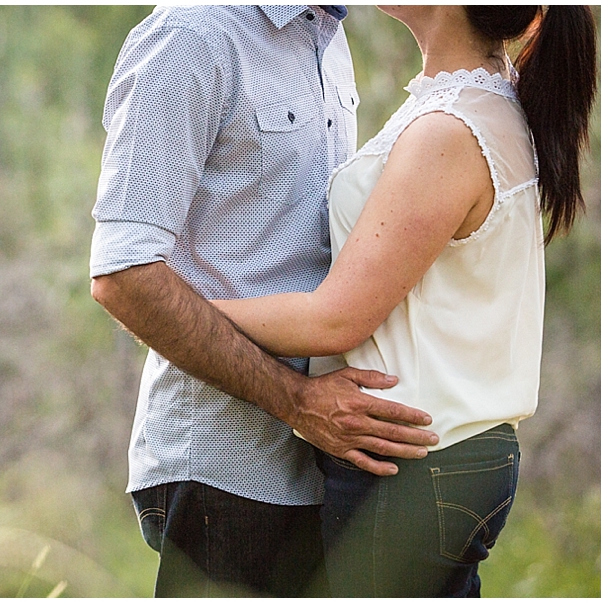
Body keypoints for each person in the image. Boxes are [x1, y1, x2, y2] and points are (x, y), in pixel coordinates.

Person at [211, 5, 597, 597]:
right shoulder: (479, 104)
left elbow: (335, 317)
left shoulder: (451, 129)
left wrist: (176, 310)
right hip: (439, 454)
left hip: (411, 462)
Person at [88, 5, 440, 597]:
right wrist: (297, 402)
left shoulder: (329, 38)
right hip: (222, 466)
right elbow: (124, 275)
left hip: (318, 469)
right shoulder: (192, 35)